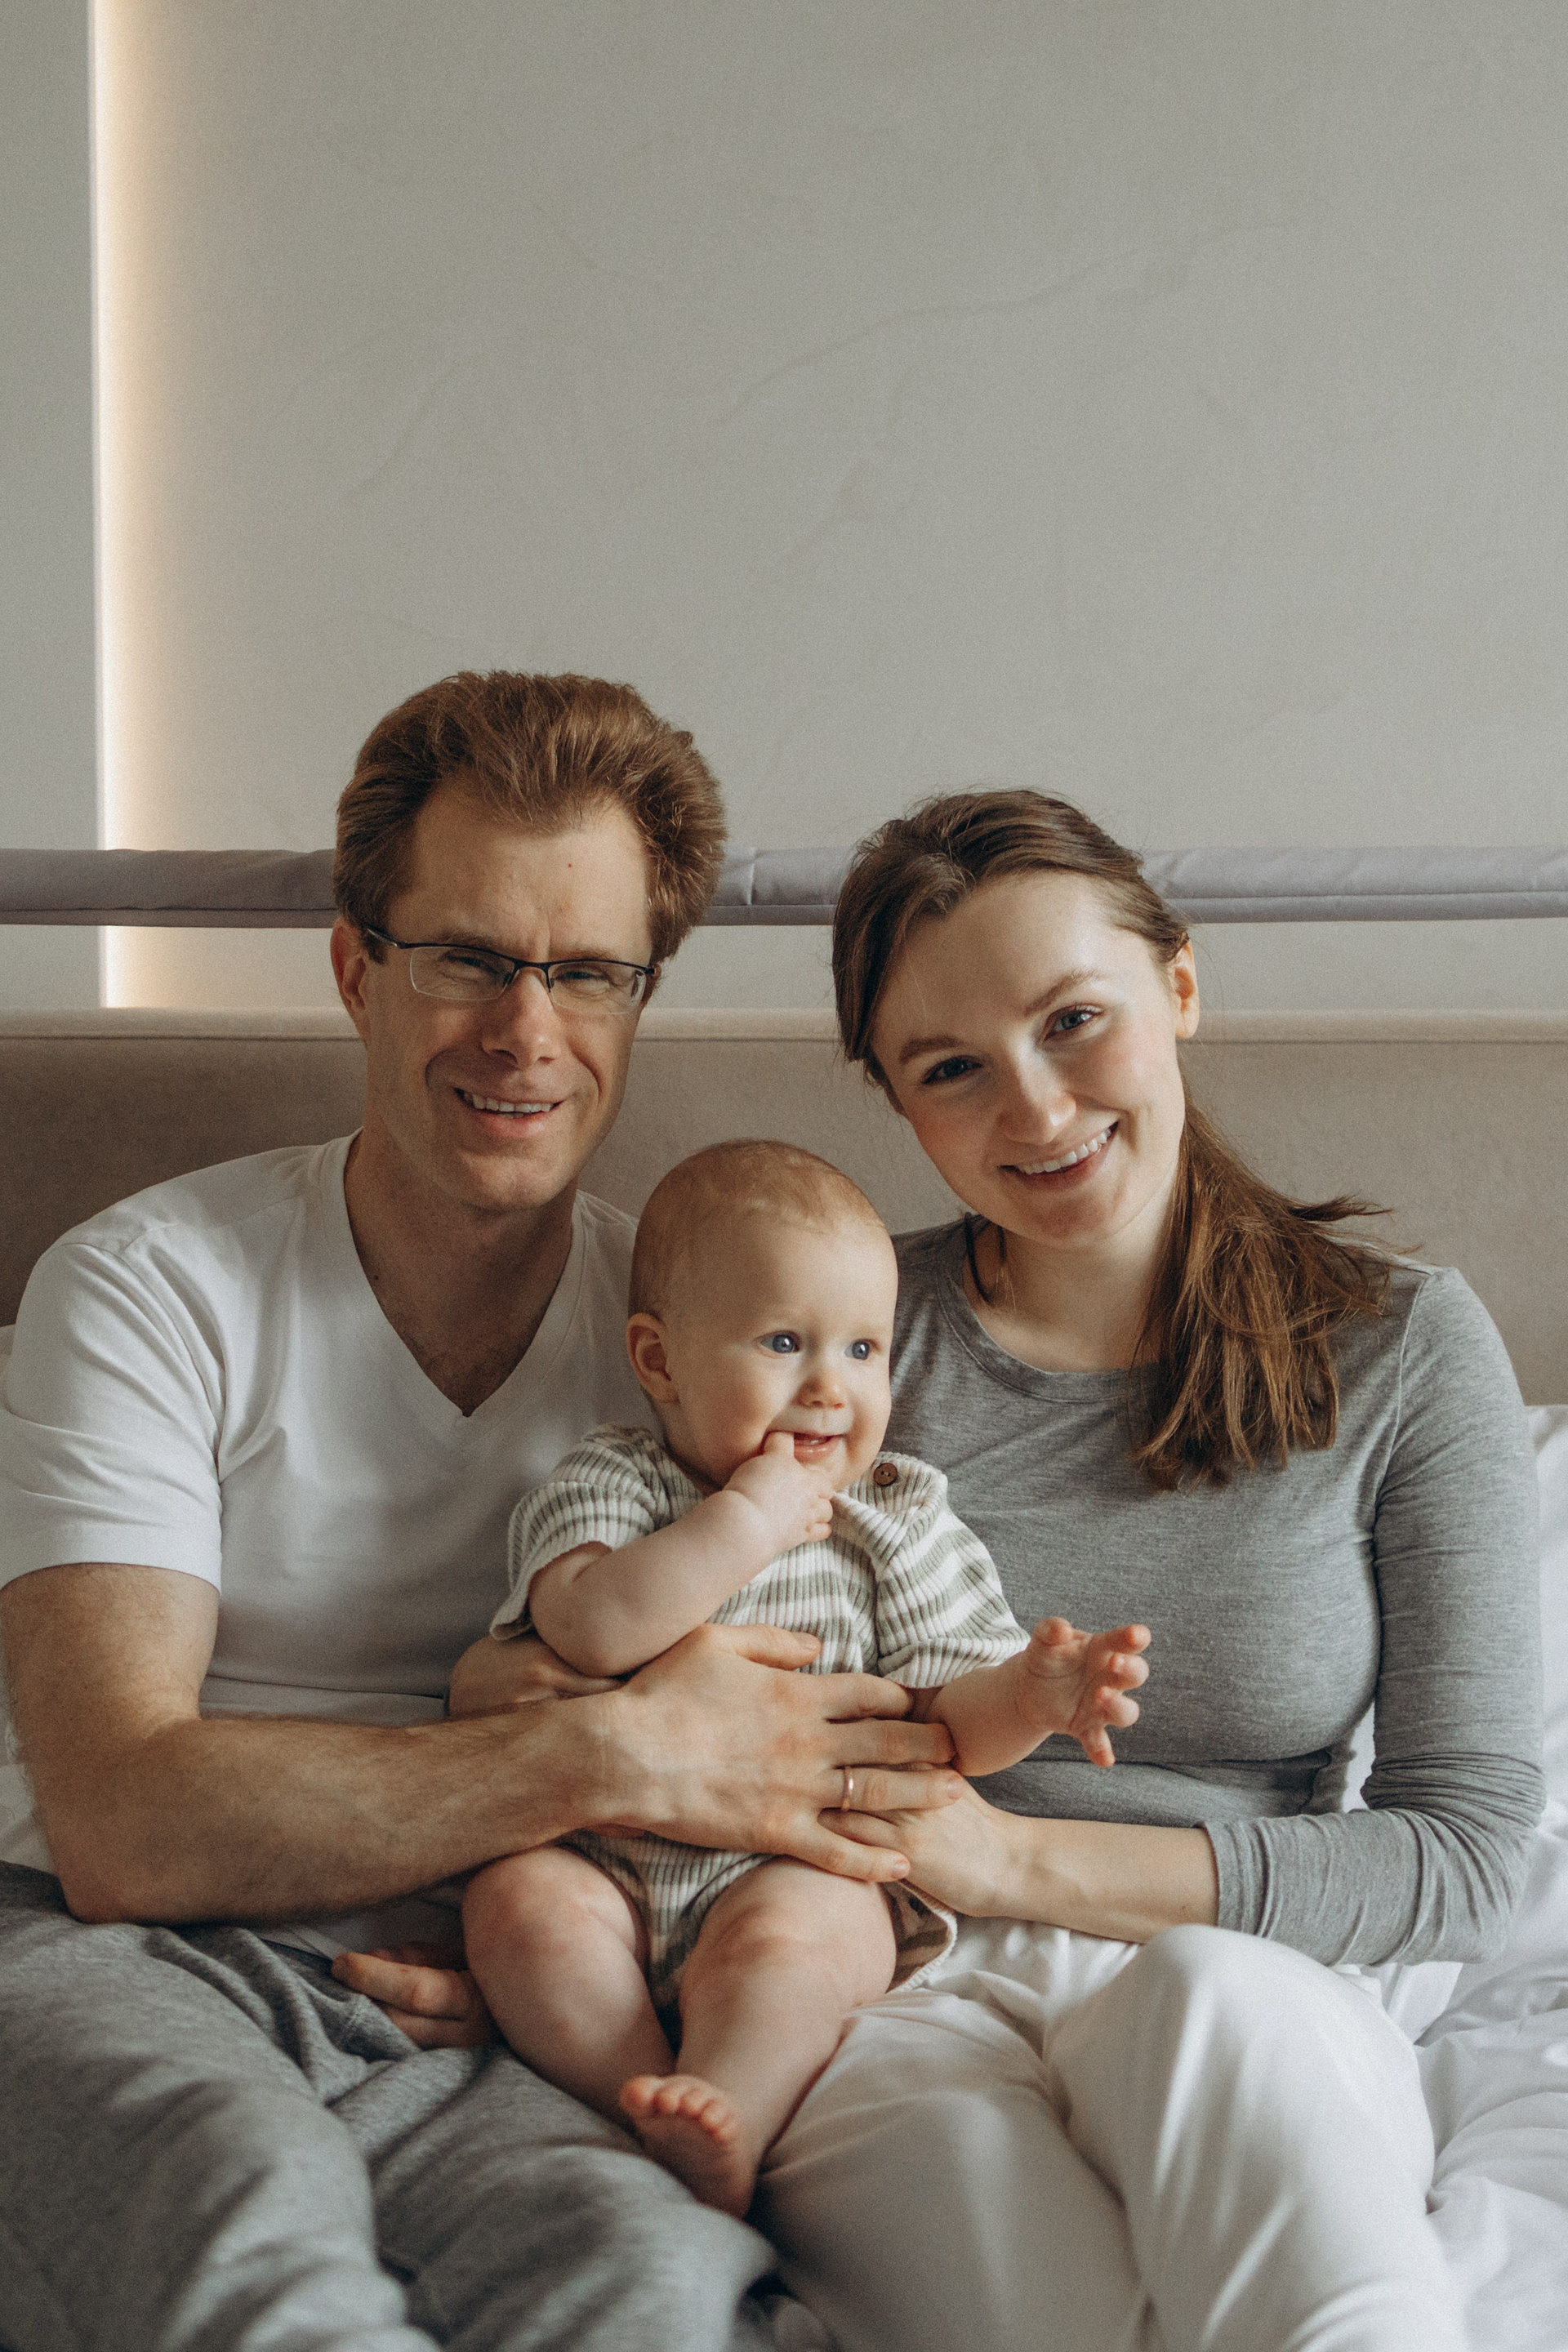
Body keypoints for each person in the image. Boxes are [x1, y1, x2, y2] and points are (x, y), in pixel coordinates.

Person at [0, 671, 963, 2352]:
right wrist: (606, 1754)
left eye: (587, 971)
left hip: (507, 1989)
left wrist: (579, 1964)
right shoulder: (151, 1288)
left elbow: (835, 1743)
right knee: (259, 2263)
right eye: (467, 957)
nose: (526, 1032)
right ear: (356, 968)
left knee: (646, 2281)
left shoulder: (712, 1350)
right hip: (134, 1964)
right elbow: (122, 1821)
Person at [742, 789, 1548, 2352]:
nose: (1035, 1108)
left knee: (1209, 2013)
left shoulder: (1398, 1345)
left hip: (1251, 1959)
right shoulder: (842, 1342)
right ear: (896, 1102)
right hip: (901, 1982)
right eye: (951, 1068)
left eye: (1073, 1020)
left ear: (1179, 984)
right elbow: (640, 1634)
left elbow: (1460, 1859)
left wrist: (1016, 1863)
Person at [458, 1138, 1152, 2216]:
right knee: (516, 1907)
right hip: (602, 1861)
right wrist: (747, 1520)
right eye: (784, 1343)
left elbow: (944, 1729)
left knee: (801, 1948)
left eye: (864, 1349)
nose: (831, 1387)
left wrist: (1032, 1697)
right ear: (659, 1361)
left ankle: (727, 2104)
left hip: (794, 1866)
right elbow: (589, 1629)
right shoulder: (617, 1479)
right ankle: (631, 2091)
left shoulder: (898, 1515)